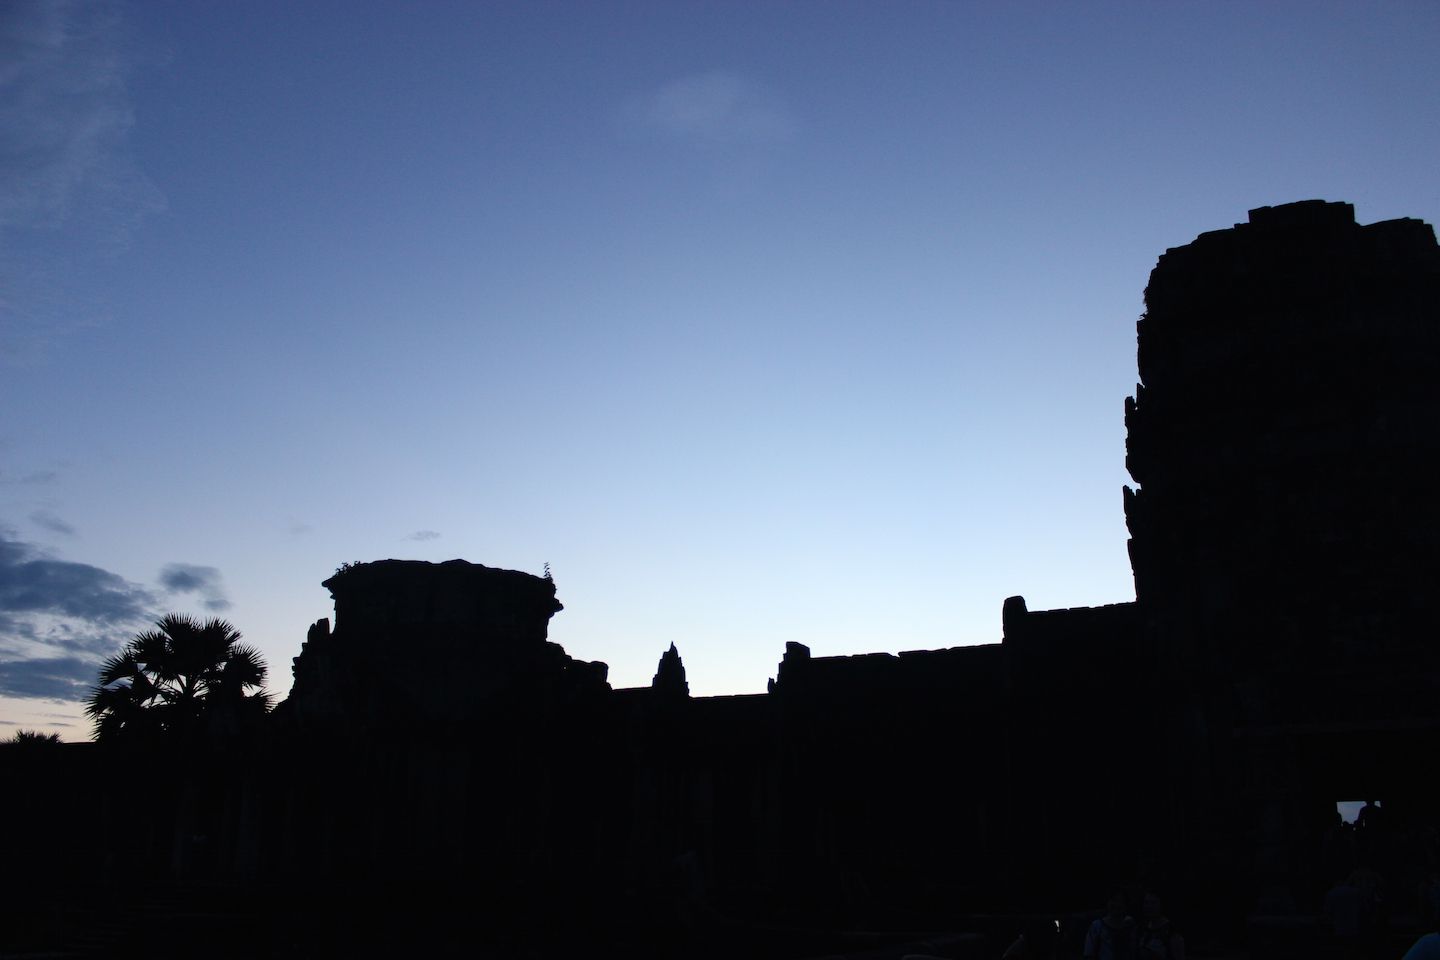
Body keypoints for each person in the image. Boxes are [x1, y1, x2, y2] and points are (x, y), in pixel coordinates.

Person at [1084, 891, 1136, 960]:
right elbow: (1089, 953)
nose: (1117, 904)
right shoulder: (1097, 926)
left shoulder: (1130, 926)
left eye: (1120, 901)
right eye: (1113, 900)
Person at [1136, 893, 1184, 960]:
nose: (1149, 906)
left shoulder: (1171, 932)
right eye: (1146, 902)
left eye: (1153, 903)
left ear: (1161, 905)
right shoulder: (1142, 929)